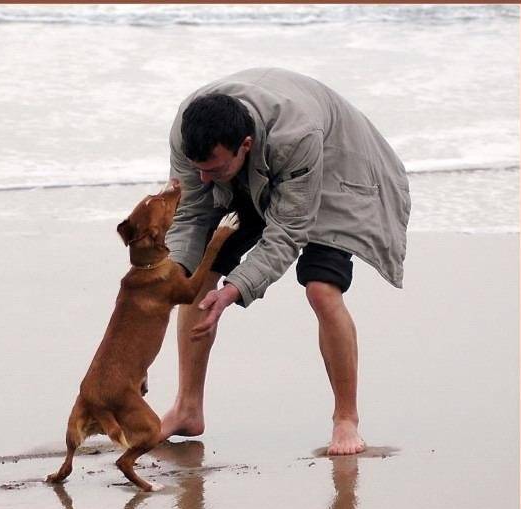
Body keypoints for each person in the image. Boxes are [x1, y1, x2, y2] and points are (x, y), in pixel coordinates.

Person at [160, 68, 411, 455]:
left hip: (334, 169)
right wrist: (173, 274)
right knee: (196, 273)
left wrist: (235, 289)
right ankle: (187, 408)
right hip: (259, 168)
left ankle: (346, 418)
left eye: (214, 169)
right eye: (199, 169)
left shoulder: (296, 136)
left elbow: (288, 231)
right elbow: (191, 213)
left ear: (244, 145)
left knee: (321, 288)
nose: (204, 179)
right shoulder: (189, 133)